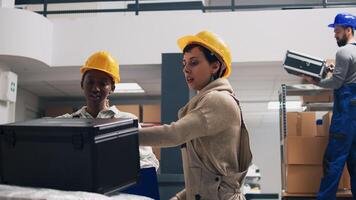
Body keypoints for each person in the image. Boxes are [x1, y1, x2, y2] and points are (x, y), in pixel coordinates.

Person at [139, 31, 252, 200]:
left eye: (194, 62)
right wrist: (179, 198)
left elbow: (173, 134)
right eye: (184, 63)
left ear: (215, 66)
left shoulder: (217, 100)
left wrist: (121, 136)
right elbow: (209, 180)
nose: (186, 69)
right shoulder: (208, 100)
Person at [59, 50, 159, 170]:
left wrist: (119, 166)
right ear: (82, 84)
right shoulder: (66, 122)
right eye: (90, 82)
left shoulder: (127, 121)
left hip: (117, 187)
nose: (95, 88)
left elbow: (150, 162)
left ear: (112, 88)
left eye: (102, 83)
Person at [303, 13, 356, 199]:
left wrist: (315, 81)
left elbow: (336, 83)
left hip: (346, 113)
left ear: (349, 30)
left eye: (338, 31)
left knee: (333, 161)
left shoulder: (343, 52)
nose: (335, 35)